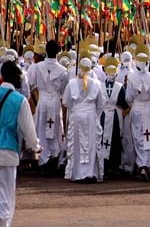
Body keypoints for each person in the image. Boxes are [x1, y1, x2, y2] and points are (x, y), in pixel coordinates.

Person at [0, 61, 40, 227]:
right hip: (8, 151)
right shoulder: (19, 100)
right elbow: (29, 130)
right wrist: (35, 147)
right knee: (6, 197)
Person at [27, 40, 68, 173]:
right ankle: (54, 158)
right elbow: (63, 90)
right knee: (55, 129)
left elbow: (31, 83)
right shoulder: (63, 70)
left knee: (41, 129)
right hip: (55, 101)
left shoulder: (37, 67)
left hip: (43, 100)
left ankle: (42, 159)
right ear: (58, 52)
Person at [62, 57, 105, 183]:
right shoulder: (96, 83)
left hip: (77, 115)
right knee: (91, 144)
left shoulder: (72, 83)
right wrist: (92, 112)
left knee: (76, 143)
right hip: (91, 116)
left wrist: (77, 109)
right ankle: (90, 172)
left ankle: (77, 173)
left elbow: (66, 102)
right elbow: (101, 104)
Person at [124, 46, 150, 181]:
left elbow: (128, 97)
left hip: (137, 109)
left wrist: (134, 104)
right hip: (149, 109)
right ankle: (147, 165)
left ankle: (143, 166)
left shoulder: (131, 77)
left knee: (139, 138)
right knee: (149, 138)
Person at [100, 57, 129, 176]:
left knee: (104, 139)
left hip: (103, 115)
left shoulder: (100, 85)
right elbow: (123, 102)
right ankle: (113, 166)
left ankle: (105, 164)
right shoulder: (119, 86)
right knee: (114, 139)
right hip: (115, 116)